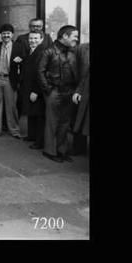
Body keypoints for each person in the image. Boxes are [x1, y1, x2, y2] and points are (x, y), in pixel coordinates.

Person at [37, 25, 79, 162]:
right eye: (75, 36)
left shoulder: (72, 52)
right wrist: (48, 89)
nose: (77, 39)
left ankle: (62, 151)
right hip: (54, 91)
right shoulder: (49, 51)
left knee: (65, 123)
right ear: (65, 36)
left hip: (69, 91)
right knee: (52, 122)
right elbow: (40, 72)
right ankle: (50, 151)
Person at [0, 24, 25, 139]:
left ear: (12, 35)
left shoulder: (18, 46)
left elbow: (26, 62)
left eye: (8, 33)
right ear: (1, 35)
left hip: (10, 79)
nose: (6, 35)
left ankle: (14, 130)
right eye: (4, 34)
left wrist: (21, 61)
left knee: (11, 106)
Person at [17, 31, 46, 150]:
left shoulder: (42, 52)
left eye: (35, 38)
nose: (32, 40)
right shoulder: (30, 51)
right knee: (32, 113)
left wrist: (36, 91)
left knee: (39, 116)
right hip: (28, 88)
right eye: (31, 38)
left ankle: (39, 142)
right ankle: (32, 136)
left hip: (36, 89)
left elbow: (41, 73)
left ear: (41, 39)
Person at [73, 42, 90, 153]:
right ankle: (79, 149)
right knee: (81, 119)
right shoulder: (81, 48)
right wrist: (78, 90)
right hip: (84, 89)